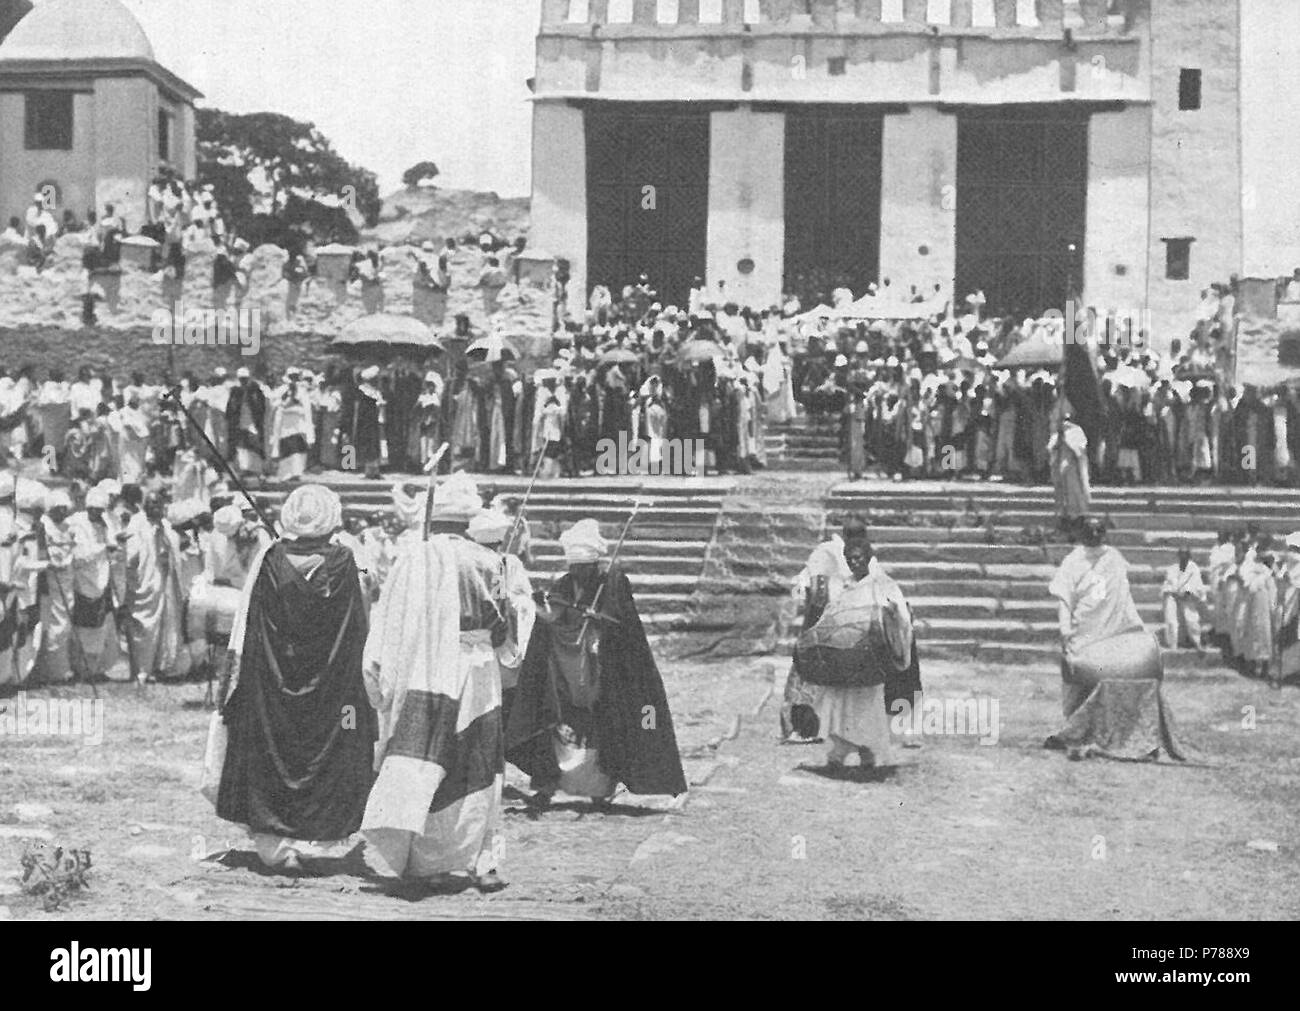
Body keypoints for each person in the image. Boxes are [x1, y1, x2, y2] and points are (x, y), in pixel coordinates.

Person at [361, 473, 519, 892]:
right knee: (477, 759)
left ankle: (411, 856)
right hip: (476, 668)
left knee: (419, 752)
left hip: (421, 669)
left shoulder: (409, 558)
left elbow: (385, 617)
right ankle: (481, 858)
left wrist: (380, 671)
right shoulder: (492, 562)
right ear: (469, 520)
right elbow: (505, 629)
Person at [215, 484, 376, 872]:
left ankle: (276, 842)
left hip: (274, 683)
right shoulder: (347, 560)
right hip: (333, 687)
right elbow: (364, 613)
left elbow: (247, 625)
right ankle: (316, 839)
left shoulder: (269, 559)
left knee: (275, 750)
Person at [506, 518, 687, 808]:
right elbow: (553, 618)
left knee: (608, 724)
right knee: (554, 721)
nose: (578, 574)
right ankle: (547, 785)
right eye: (574, 568)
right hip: (565, 668)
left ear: (595, 564)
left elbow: (623, 623)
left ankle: (600, 789)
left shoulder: (613, 581)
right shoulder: (564, 584)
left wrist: (600, 620)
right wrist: (547, 611)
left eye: (583, 569)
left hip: (604, 668)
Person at [1046, 516, 1186, 761]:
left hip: (1114, 630)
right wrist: (1065, 627)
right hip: (1084, 631)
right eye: (1091, 534)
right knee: (1077, 685)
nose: (1095, 538)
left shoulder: (1113, 558)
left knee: (1120, 680)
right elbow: (1064, 598)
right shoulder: (1073, 561)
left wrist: (1136, 627)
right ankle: (1077, 731)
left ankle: (1117, 732)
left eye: (1098, 533)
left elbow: (1124, 596)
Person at [123, 492, 188, 682]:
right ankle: (141, 671)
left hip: (163, 582)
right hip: (144, 584)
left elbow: (173, 546)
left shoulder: (165, 524)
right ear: (144, 506)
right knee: (144, 627)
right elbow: (132, 555)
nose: (155, 508)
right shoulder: (136, 523)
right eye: (151, 504)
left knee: (163, 626)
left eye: (158, 504)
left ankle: (157, 667)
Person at [1048, 413, 1090, 537]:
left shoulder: (1075, 432)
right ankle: (1064, 520)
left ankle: (1077, 520)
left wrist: (1067, 440)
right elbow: (1052, 448)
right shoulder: (1056, 434)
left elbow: (1079, 451)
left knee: (1074, 494)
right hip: (1060, 469)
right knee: (1062, 495)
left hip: (1073, 469)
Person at [1161, 547, 1207, 652]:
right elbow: (1168, 584)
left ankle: (1197, 642)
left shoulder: (1193, 568)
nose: (1183, 557)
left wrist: (1187, 592)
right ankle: (1173, 644)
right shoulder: (1172, 568)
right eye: (1181, 554)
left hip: (1188, 596)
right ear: (1178, 556)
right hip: (1173, 595)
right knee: (1171, 618)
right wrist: (1174, 592)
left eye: (1186, 555)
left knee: (1191, 617)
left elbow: (1197, 584)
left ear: (1189, 556)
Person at [1273, 532, 1300, 688]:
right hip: (1287, 610)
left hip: (1295, 611)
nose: (1292, 553)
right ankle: (1284, 674)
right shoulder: (1286, 566)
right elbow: (1280, 582)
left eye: (1295, 550)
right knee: (1285, 641)